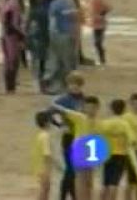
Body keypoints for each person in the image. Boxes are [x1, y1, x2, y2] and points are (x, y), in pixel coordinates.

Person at [53, 95, 102, 200]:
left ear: (97, 108)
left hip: (91, 152)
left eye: (93, 107)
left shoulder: (99, 122)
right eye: (88, 107)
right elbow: (62, 110)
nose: (90, 110)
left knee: (89, 181)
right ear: (84, 107)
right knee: (80, 180)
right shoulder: (80, 117)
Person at [52, 71, 85, 200]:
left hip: (81, 137)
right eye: (72, 84)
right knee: (70, 169)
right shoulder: (63, 100)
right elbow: (50, 113)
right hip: (69, 137)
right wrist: (60, 125)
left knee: (76, 170)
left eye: (77, 84)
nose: (74, 87)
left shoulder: (84, 99)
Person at [42, 0, 79, 94]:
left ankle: (52, 84)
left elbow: (52, 22)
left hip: (56, 34)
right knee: (68, 62)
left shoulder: (53, 4)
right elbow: (74, 18)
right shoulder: (69, 2)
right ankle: (67, 86)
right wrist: (75, 34)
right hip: (67, 34)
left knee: (56, 60)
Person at [100, 99, 137, 200]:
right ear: (123, 110)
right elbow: (132, 140)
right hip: (120, 155)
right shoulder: (125, 124)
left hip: (106, 154)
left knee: (105, 182)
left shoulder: (104, 123)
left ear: (111, 109)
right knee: (114, 183)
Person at [0, 0, 26, 94]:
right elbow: (15, 23)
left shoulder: (3, 2)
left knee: (7, 61)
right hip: (12, 35)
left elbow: (1, 17)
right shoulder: (15, 4)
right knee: (13, 61)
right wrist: (22, 35)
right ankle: (11, 87)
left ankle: (8, 87)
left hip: (4, 34)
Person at [26, 0, 49, 92]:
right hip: (38, 38)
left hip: (40, 37)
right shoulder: (36, 10)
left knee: (41, 62)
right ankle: (41, 85)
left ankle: (41, 85)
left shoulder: (35, 10)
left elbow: (29, 26)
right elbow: (30, 26)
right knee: (40, 62)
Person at [87, 0, 111, 65]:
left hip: (100, 23)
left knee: (98, 42)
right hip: (95, 23)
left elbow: (108, 7)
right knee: (97, 42)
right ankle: (101, 59)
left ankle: (102, 60)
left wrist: (101, 15)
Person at [32, 111, 55, 200]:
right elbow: (47, 155)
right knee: (45, 190)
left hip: (39, 167)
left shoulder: (40, 135)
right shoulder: (46, 136)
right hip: (44, 168)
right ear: (47, 123)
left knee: (44, 190)